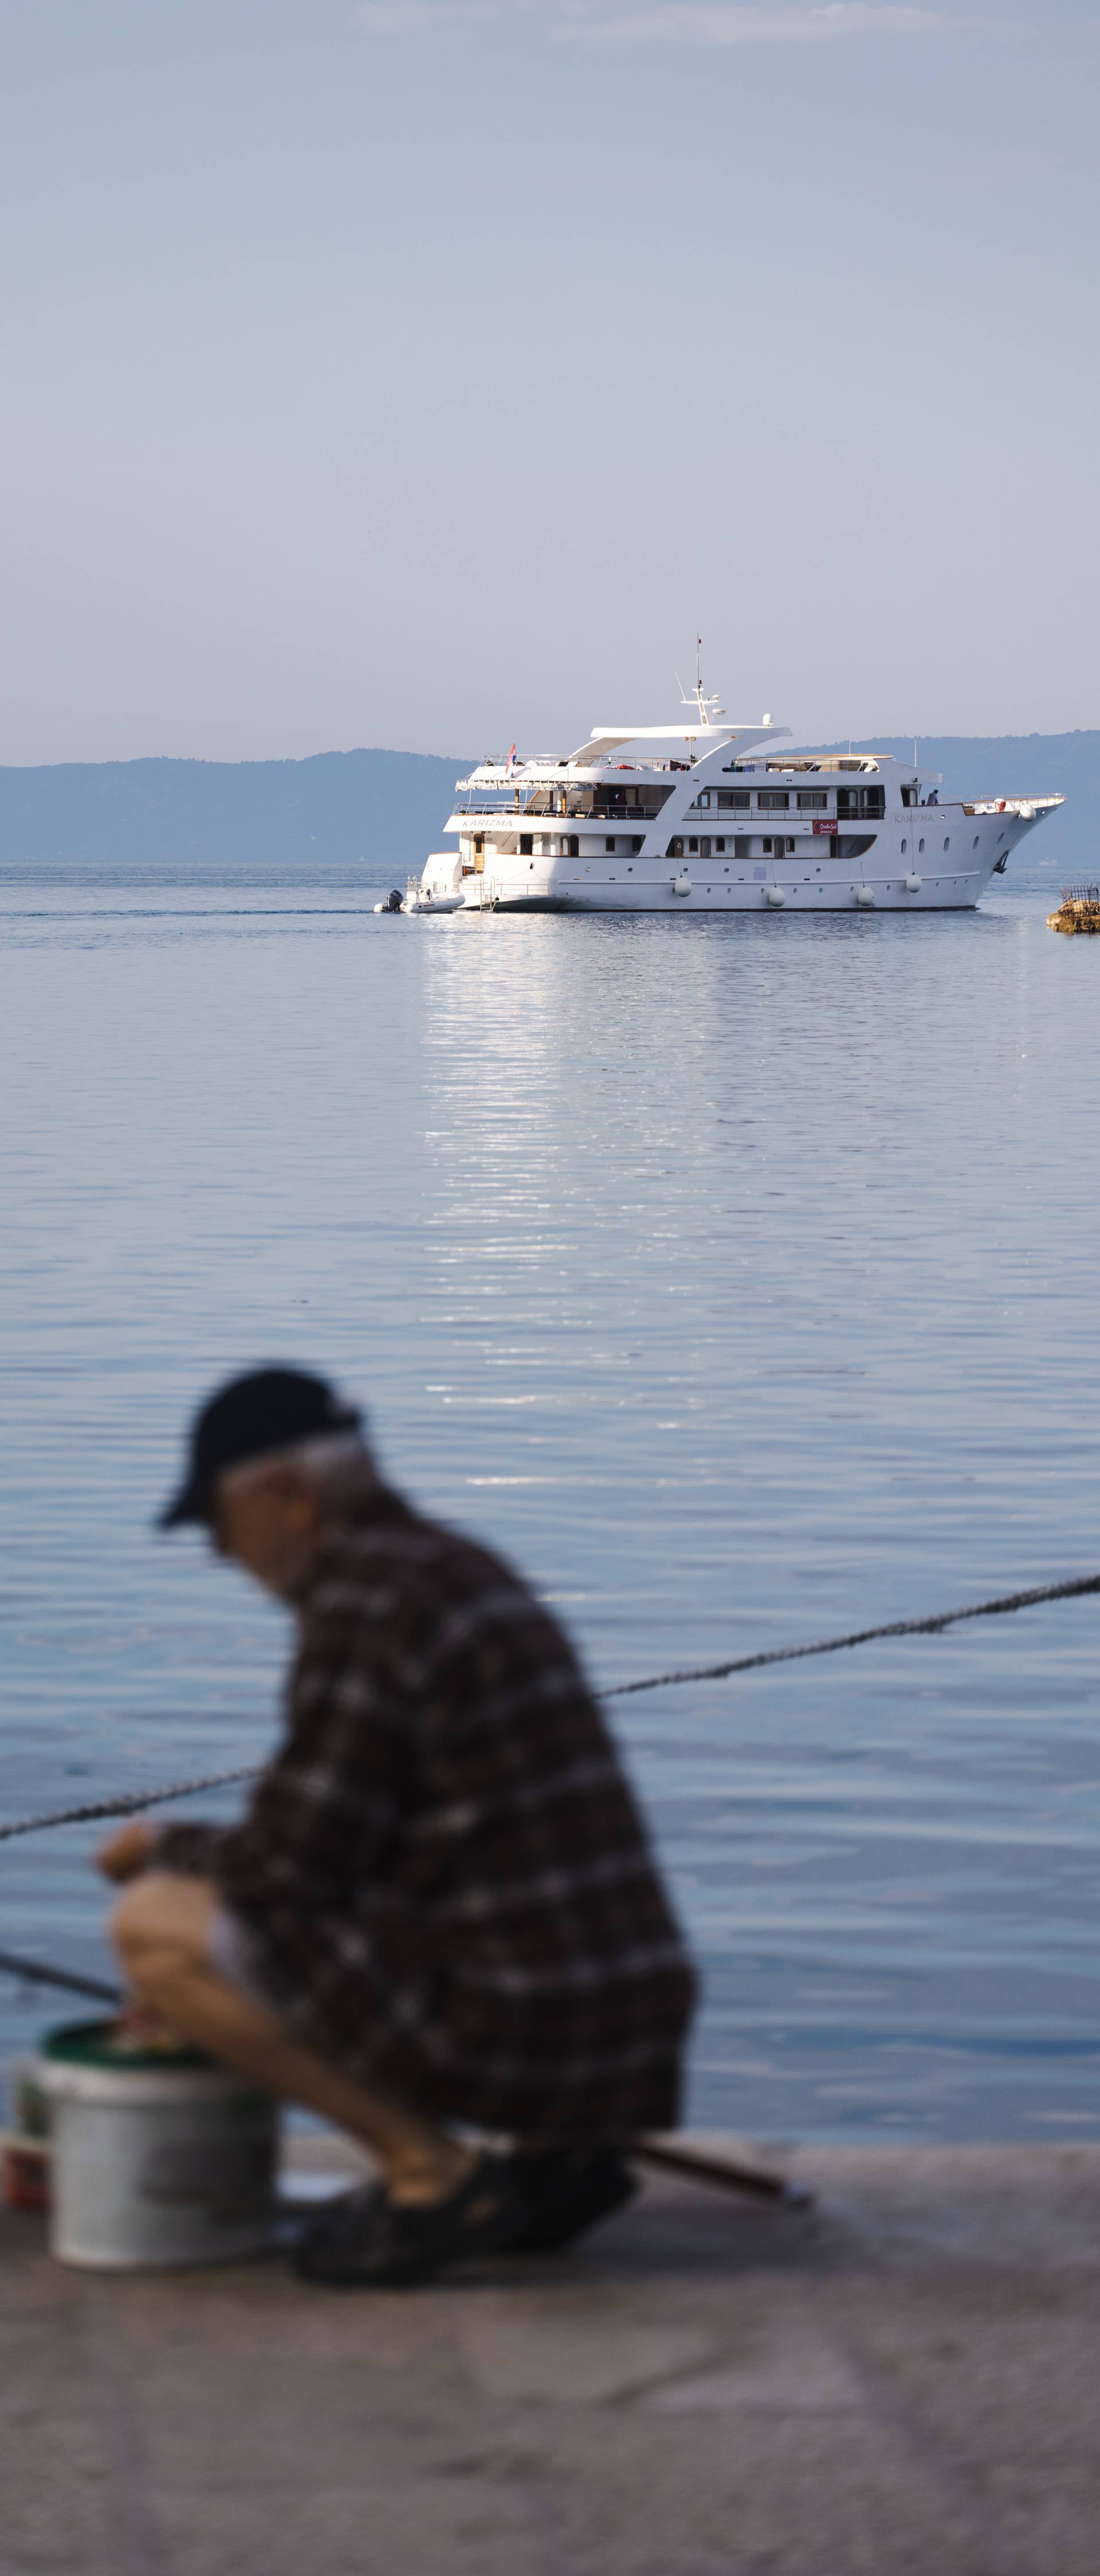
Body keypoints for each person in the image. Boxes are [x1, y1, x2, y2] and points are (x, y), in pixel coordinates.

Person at [101, 1368, 696, 2288]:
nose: (223, 1554)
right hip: (622, 2015)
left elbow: (293, 1862)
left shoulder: (366, 1603)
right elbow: (368, 1848)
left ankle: (436, 2179)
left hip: (528, 2018)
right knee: (243, 1911)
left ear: (288, 1498)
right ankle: (560, 2162)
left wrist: (159, 1847)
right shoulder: (449, 1563)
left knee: (157, 1926)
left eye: (220, 1525)